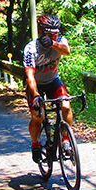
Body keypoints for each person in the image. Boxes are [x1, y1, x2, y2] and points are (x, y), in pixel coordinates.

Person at [23, 14, 72, 163]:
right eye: (49, 34)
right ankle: (35, 144)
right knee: (38, 117)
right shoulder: (31, 48)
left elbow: (67, 51)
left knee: (66, 106)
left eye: (56, 33)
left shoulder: (60, 41)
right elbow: (30, 76)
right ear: (41, 32)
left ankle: (65, 140)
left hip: (53, 80)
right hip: (36, 84)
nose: (54, 36)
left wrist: (52, 43)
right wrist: (36, 94)